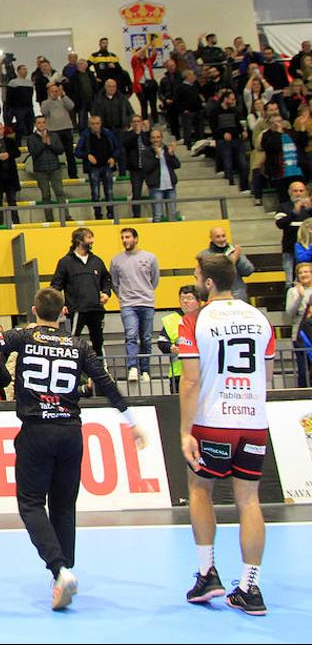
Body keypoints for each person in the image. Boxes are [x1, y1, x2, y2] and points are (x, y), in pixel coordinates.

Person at [0, 288, 146, 611]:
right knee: (64, 506)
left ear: (34, 309)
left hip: (36, 430)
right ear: (64, 312)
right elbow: (105, 383)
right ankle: (63, 573)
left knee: (31, 504)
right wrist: (130, 419)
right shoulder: (79, 345)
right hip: (70, 431)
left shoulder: (24, 337)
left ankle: (59, 570)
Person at [178, 252, 275, 615]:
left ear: (207, 282)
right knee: (249, 500)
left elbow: (190, 380)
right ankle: (250, 588)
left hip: (212, 419)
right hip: (253, 421)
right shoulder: (260, 319)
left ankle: (207, 574)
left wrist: (186, 431)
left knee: (200, 490)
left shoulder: (195, 320)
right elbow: (265, 378)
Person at [50, 228, 112, 358]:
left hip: (96, 308)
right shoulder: (65, 262)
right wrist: (60, 304)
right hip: (76, 309)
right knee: (72, 341)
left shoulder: (97, 261)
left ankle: (101, 370)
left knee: (98, 342)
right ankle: (71, 367)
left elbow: (106, 278)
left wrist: (106, 293)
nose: (92, 241)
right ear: (79, 240)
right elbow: (56, 285)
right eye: (89, 237)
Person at [110, 227, 159, 385]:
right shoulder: (116, 260)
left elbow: (154, 279)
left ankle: (145, 370)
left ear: (136, 239)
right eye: (123, 238)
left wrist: (147, 292)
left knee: (146, 337)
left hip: (146, 302)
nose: (125, 240)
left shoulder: (150, 257)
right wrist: (124, 297)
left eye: (128, 237)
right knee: (131, 335)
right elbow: (115, 283)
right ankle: (132, 367)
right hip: (128, 303)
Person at [157, 285, 203, 394]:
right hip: (178, 374)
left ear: (199, 301)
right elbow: (162, 342)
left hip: (203, 372)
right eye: (182, 299)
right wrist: (170, 347)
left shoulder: (206, 318)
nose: (185, 302)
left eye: (189, 298)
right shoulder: (171, 320)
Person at [203, 227, 255, 301]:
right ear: (211, 238)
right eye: (218, 237)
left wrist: (239, 259)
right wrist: (233, 259)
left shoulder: (234, 251)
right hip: (216, 298)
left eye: (223, 236)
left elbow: (248, 270)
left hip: (237, 296)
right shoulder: (206, 255)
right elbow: (219, 275)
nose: (221, 239)